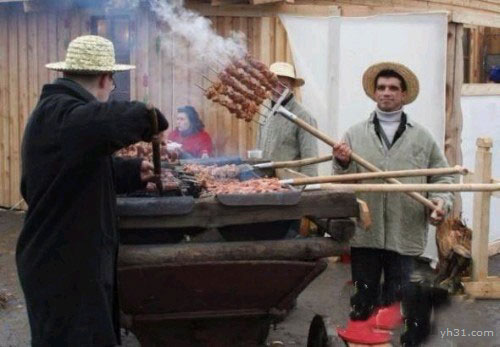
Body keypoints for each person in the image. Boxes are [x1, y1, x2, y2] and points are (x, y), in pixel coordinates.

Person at [16, 35, 168, 346]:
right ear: (105, 78)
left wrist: (130, 172)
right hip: (62, 266)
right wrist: (150, 118)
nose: (111, 92)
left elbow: (75, 172)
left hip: (66, 260)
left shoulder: (61, 118)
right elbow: (102, 123)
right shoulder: (61, 113)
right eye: (112, 83)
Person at [333, 62, 454, 345]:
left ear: (403, 95)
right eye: (382, 88)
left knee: (400, 305)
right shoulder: (354, 135)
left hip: (406, 234)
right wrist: (342, 162)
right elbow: (344, 181)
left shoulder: (422, 137)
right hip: (366, 234)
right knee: (363, 300)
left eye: (393, 88)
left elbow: (444, 178)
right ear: (374, 93)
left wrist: (439, 202)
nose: (387, 93)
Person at [257, 62, 319, 176]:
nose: (278, 89)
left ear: (291, 87)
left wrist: (308, 188)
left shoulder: (303, 116)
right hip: (265, 183)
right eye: (274, 84)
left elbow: (311, 162)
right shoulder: (264, 110)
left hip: (290, 186)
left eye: (283, 85)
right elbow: (259, 149)